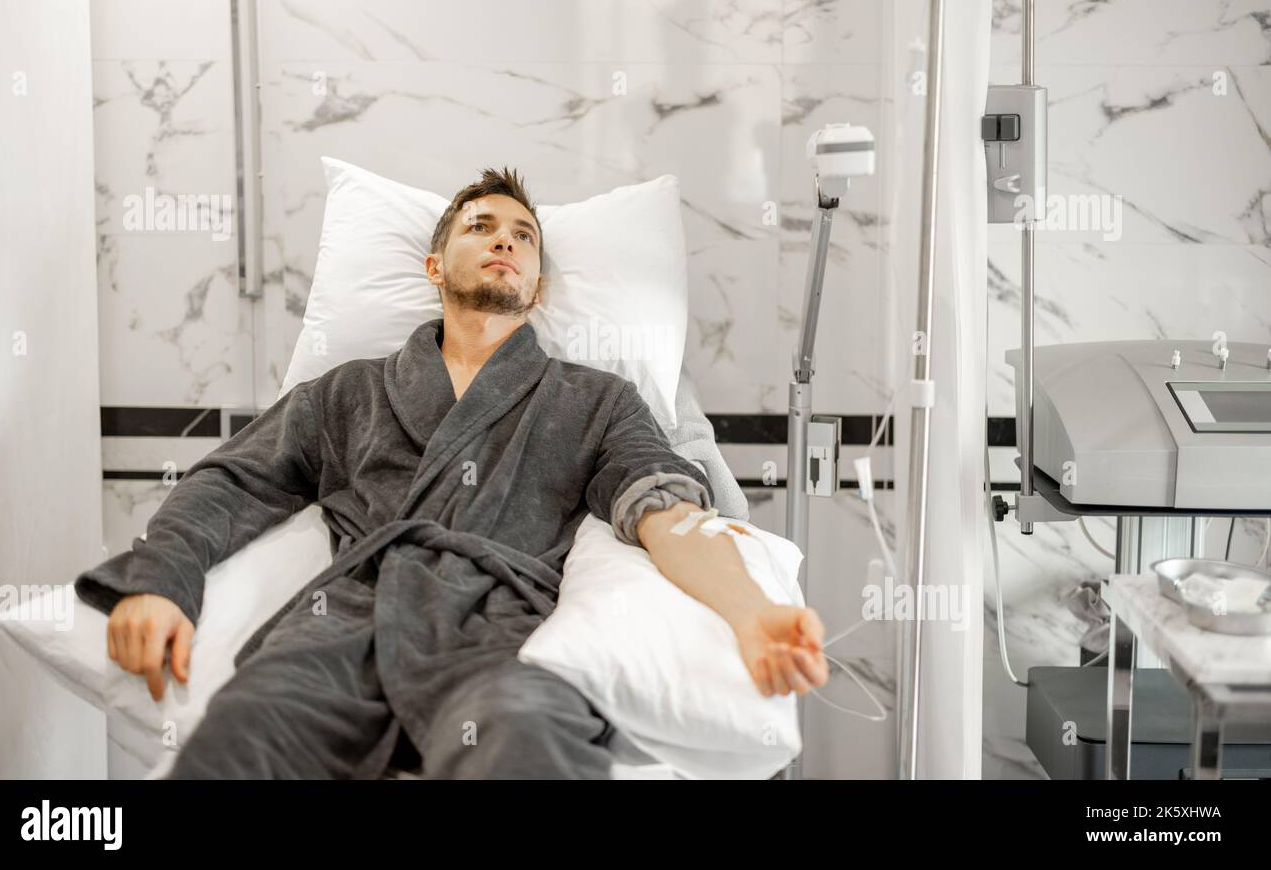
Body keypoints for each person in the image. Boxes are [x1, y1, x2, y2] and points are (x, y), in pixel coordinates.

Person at [75, 167, 827, 779]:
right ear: (436, 265)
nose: (504, 240)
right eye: (481, 227)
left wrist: (751, 611)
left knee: (524, 735)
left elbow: (664, 512)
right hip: (337, 638)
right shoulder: (349, 392)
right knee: (239, 734)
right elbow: (230, 482)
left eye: (523, 236)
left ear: (535, 286)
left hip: (502, 640)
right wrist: (160, 580)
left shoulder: (594, 401)